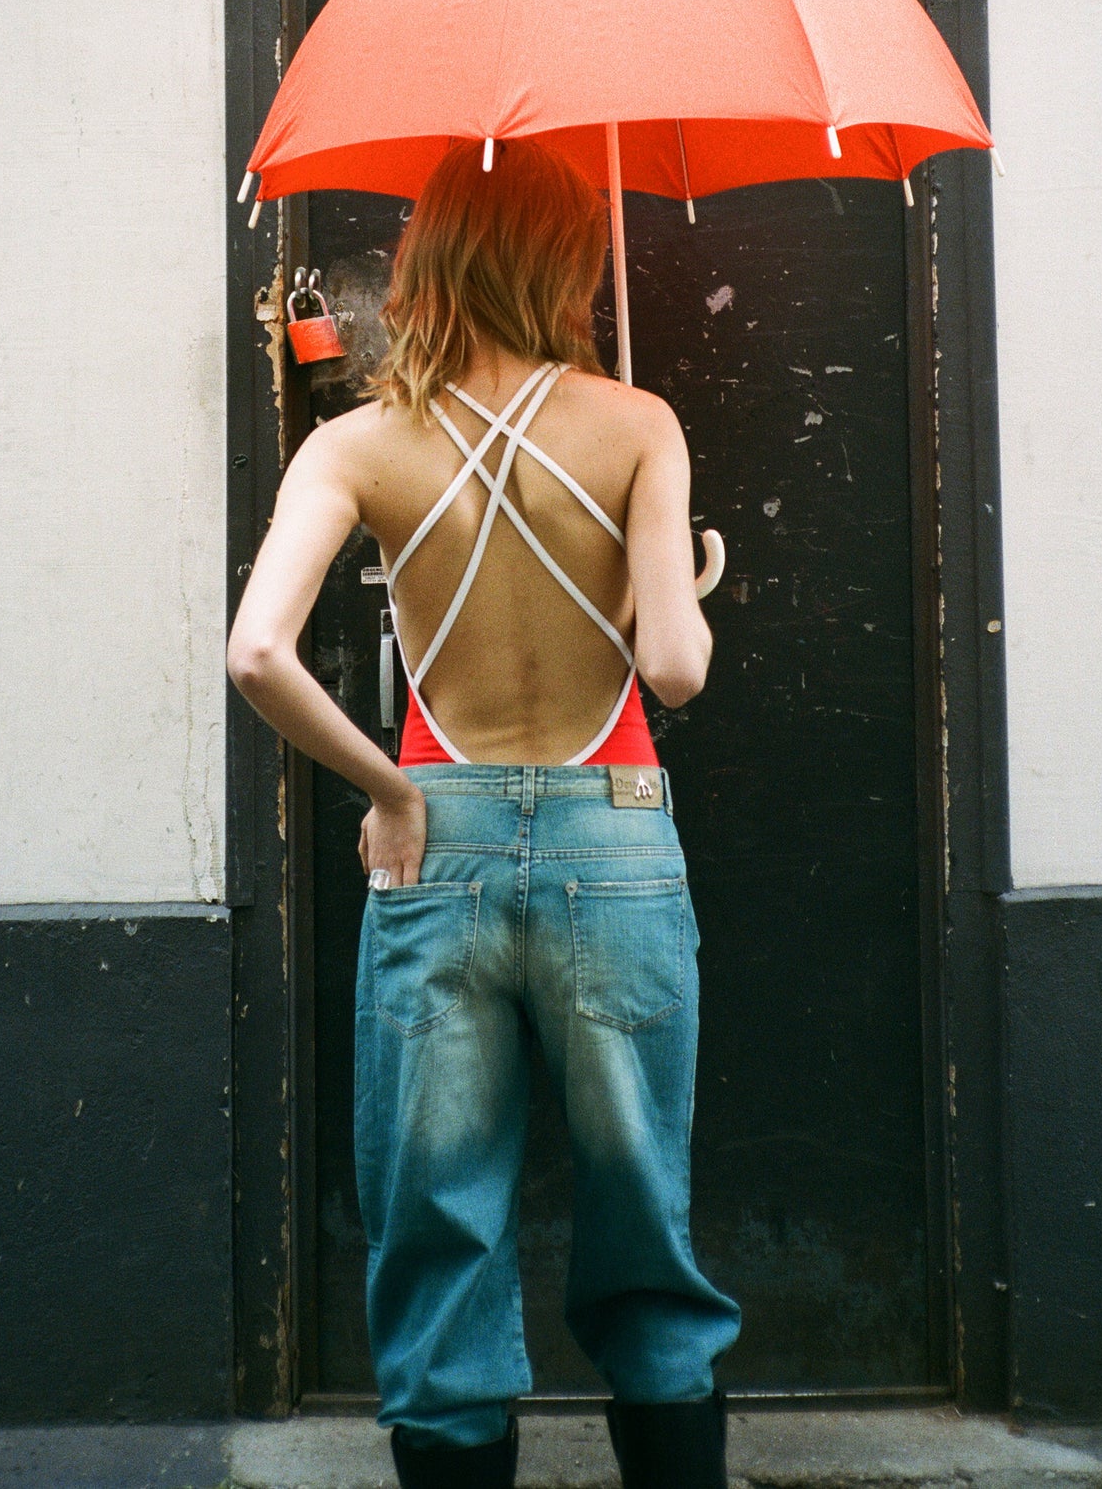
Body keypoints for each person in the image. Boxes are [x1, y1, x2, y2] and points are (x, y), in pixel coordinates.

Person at [228, 138, 741, 1489]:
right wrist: (685, 574)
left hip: (435, 846)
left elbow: (256, 654)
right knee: (642, 1211)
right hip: (611, 836)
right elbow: (674, 672)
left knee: (436, 1212)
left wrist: (392, 790)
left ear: (432, 260)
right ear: (567, 264)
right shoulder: (636, 424)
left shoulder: (355, 443)